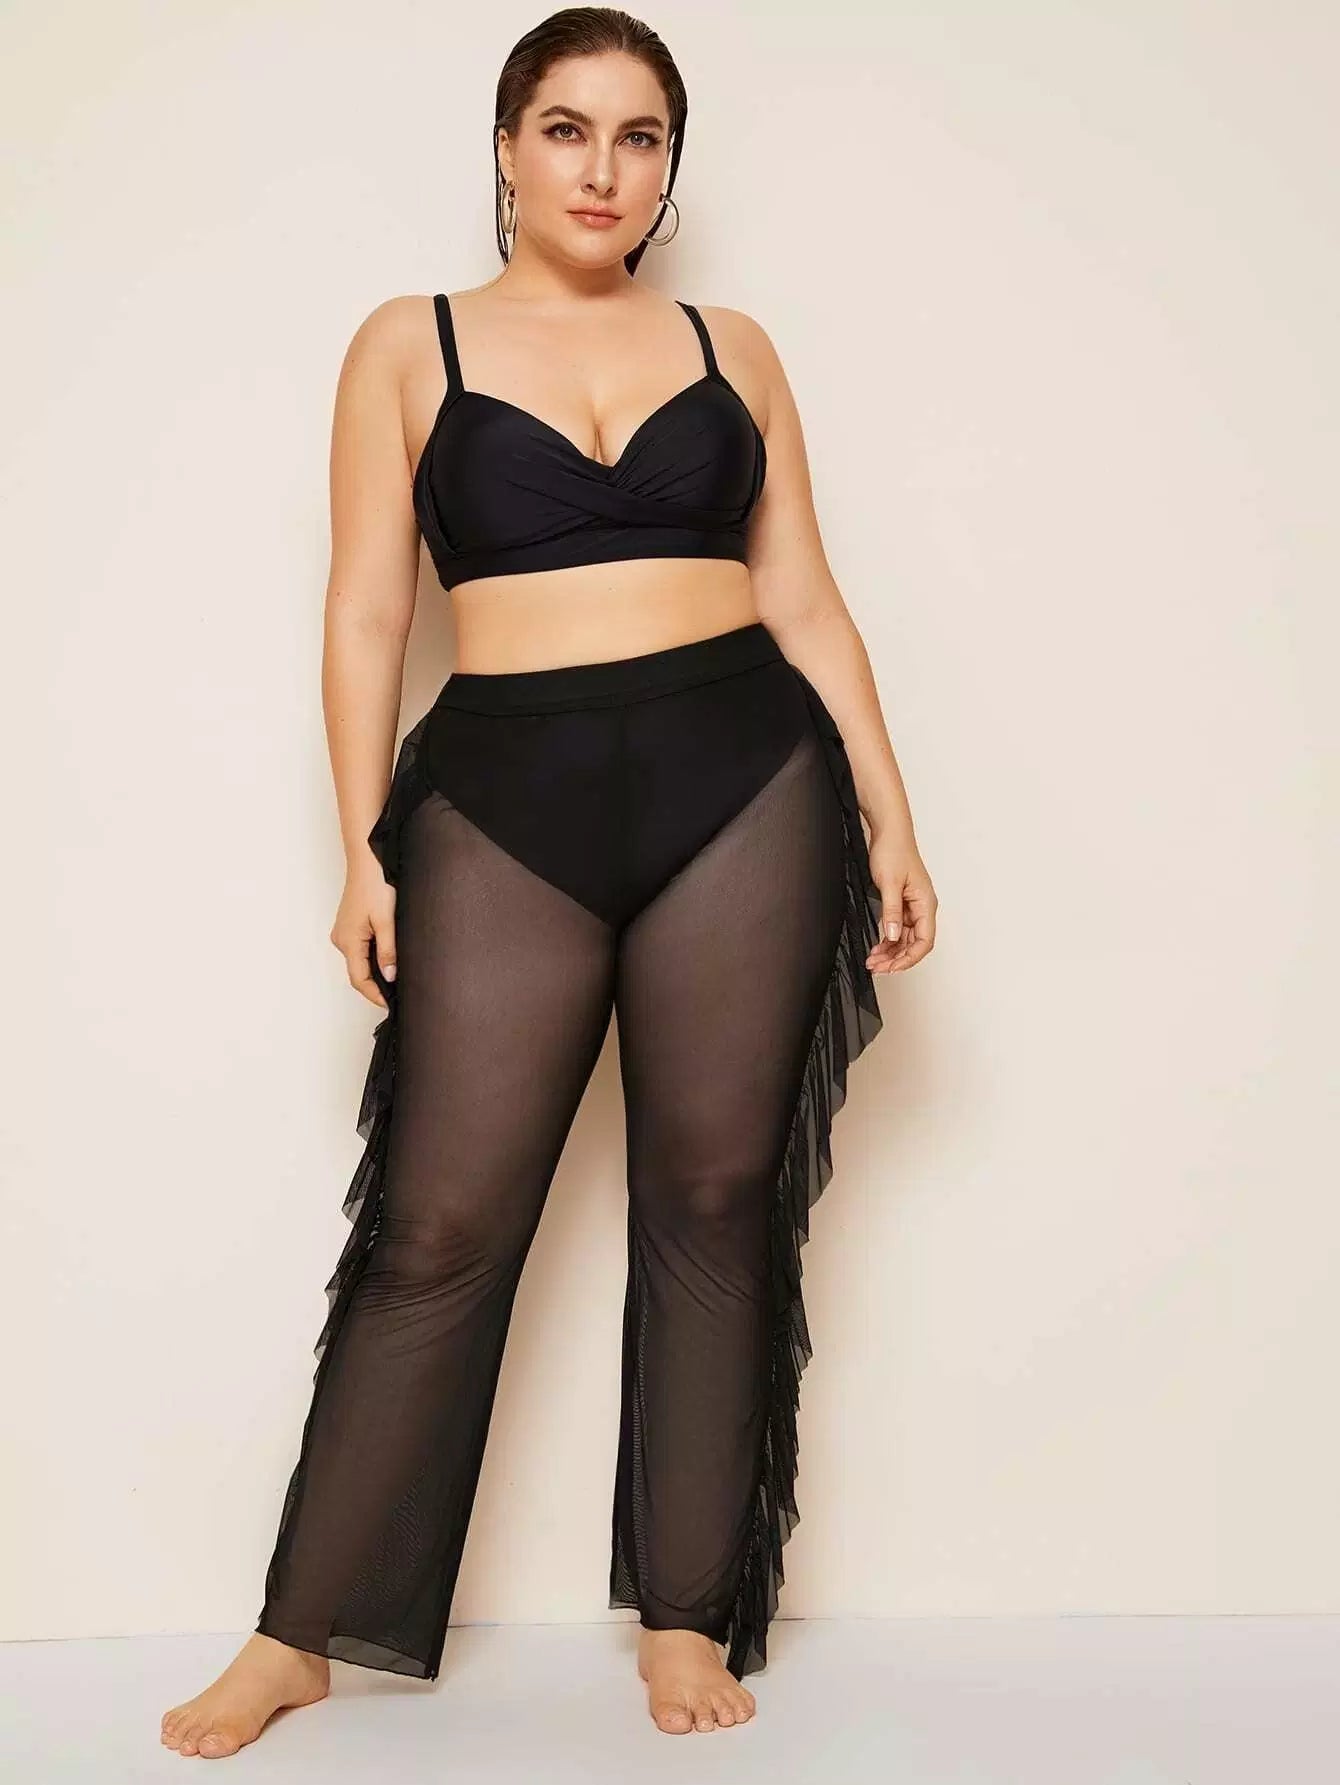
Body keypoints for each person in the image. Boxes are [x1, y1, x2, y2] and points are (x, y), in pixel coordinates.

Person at [159, 5, 936, 1759]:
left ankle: (683, 1610)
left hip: (747, 781)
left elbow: (806, 596)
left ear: (671, 166)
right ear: (507, 148)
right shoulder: (408, 342)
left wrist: (892, 815)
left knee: (715, 1201)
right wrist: (359, 844)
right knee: (440, 1223)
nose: (604, 168)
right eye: (568, 129)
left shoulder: (734, 346)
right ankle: (300, 1630)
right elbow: (369, 606)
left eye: (640, 135)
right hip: (502, 799)